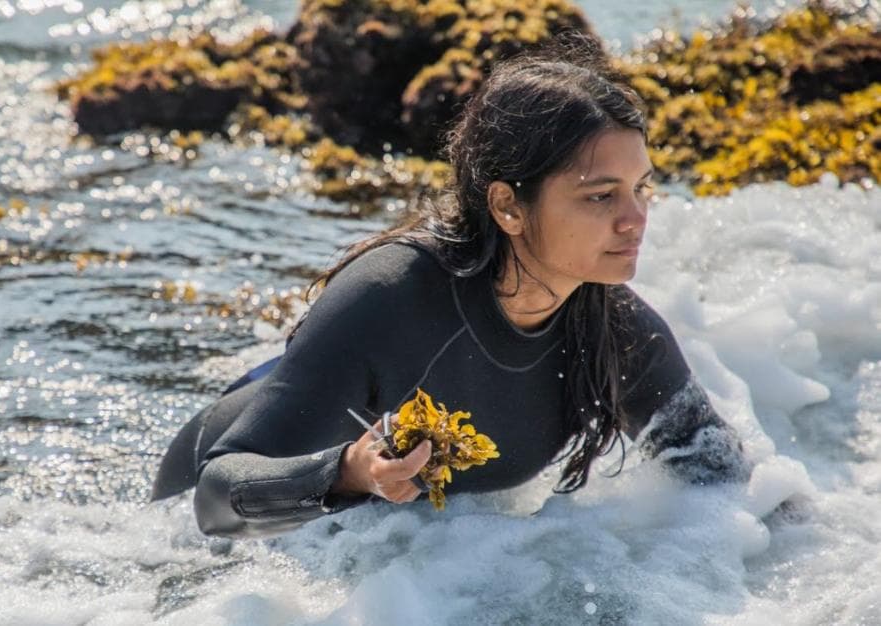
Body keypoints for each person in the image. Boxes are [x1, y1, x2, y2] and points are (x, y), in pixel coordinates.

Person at [151, 48, 751, 538]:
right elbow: (215, 499)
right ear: (508, 206)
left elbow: (719, 474)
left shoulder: (615, 328)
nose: (635, 219)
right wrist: (346, 473)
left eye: (642, 189)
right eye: (600, 196)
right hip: (208, 519)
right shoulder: (389, 299)